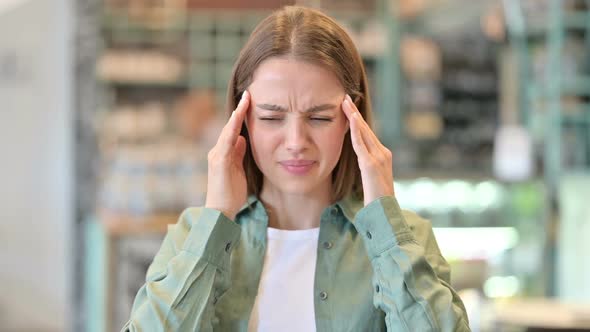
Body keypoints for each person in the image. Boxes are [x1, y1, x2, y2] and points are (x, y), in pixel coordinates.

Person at [122, 6, 470, 332]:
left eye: (319, 117)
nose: (295, 141)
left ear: (353, 118)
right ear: (241, 121)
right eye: (272, 117)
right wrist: (217, 216)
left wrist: (383, 217)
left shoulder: (404, 237)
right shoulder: (194, 235)